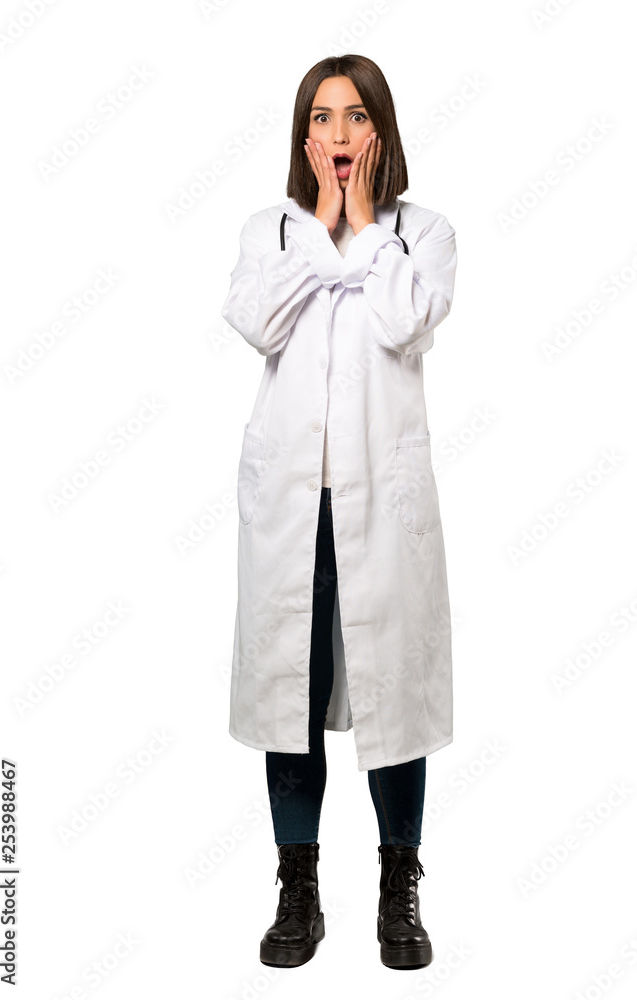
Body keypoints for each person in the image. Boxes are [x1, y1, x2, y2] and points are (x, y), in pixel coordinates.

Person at [221, 54, 458, 970]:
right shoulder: (272, 231)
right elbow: (257, 323)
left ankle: (399, 887)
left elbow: (407, 322)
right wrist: (323, 226)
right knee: (290, 689)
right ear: (303, 135)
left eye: (355, 117)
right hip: (291, 504)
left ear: (380, 130)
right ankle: (298, 888)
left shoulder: (422, 233)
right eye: (320, 118)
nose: (337, 134)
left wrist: (363, 228)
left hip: (382, 504)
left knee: (394, 686)